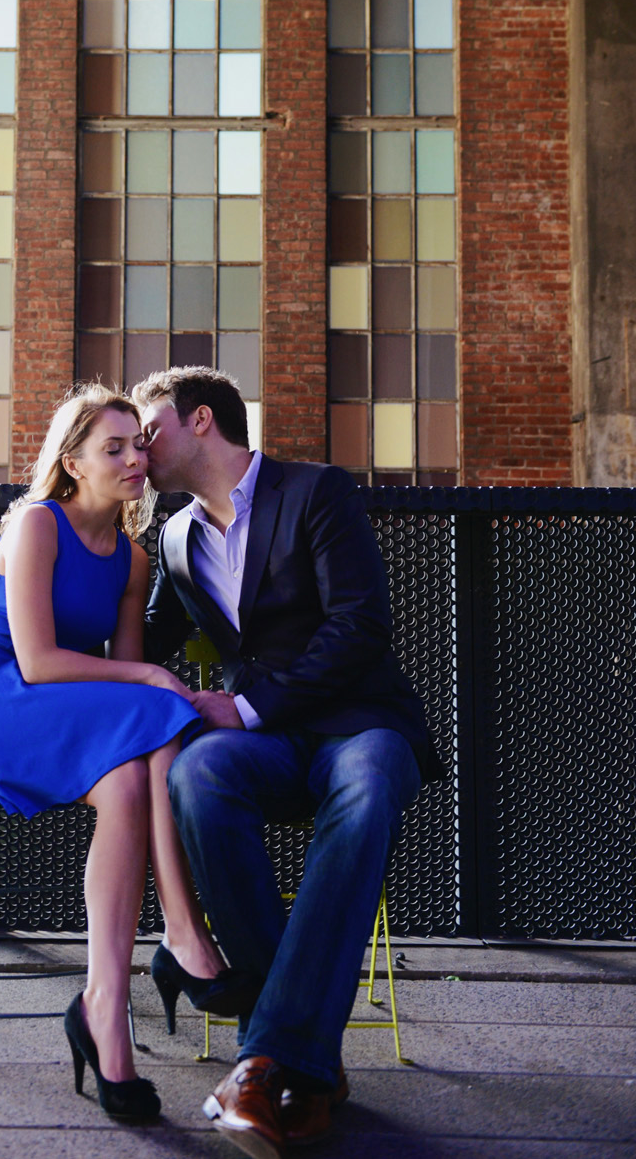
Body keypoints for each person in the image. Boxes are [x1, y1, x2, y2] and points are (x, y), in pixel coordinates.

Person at [132, 366, 443, 1156]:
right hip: (266, 749)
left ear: (202, 420)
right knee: (197, 775)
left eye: (150, 426)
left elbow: (360, 625)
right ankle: (300, 1060)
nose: (140, 443)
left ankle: (266, 1061)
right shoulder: (172, 538)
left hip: (361, 724)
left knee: (368, 787)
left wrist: (245, 706)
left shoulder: (317, 492)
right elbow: (139, 646)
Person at [0, 383, 251, 1123]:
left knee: (138, 773)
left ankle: (105, 1009)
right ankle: (182, 931)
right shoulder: (38, 525)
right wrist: (146, 675)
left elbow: (135, 714)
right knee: (161, 702)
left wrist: (146, 680)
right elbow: (38, 660)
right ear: (73, 462)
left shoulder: (134, 563)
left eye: (139, 443)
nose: (137, 457)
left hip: (60, 713)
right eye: (116, 447)